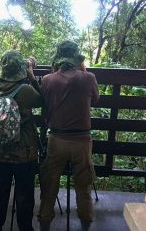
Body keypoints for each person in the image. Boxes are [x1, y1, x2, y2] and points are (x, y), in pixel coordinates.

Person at [38, 40, 100, 231]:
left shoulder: (48, 80)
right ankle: (85, 226)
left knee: (49, 186)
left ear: (58, 59)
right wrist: (83, 70)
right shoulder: (89, 78)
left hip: (56, 140)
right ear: (77, 59)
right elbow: (95, 99)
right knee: (84, 187)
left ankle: (45, 225)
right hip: (82, 141)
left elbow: (44, 103)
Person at [0, 50, 43, 231]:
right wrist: (32, 78)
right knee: (24, 195)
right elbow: (44, 101)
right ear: (21, 71)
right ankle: (25, 228)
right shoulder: (27, 91)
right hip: (25, 153)